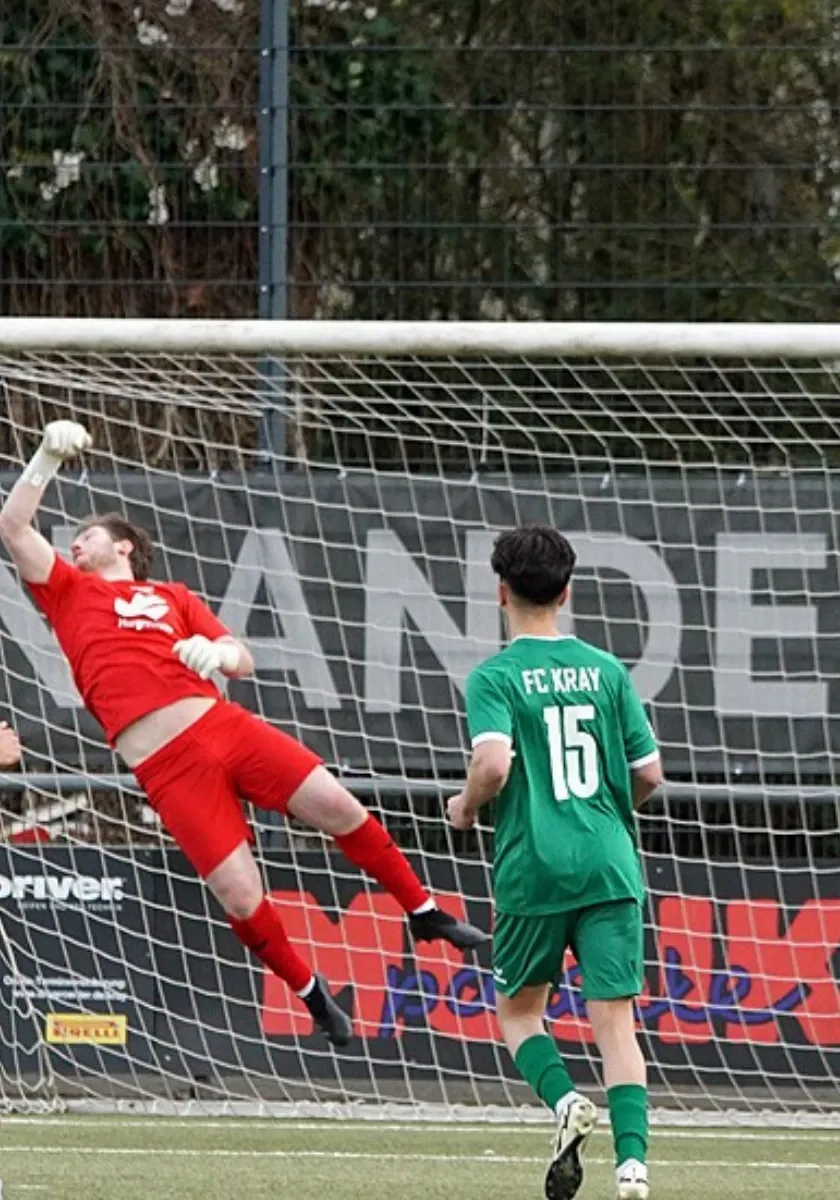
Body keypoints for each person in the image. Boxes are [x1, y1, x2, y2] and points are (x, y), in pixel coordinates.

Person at [0, 420, 488, 1048]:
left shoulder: (171, 594)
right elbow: (13, 526)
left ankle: (425, 913)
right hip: (169, 767)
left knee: (340, 806)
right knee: (237, 892)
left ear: (123, 546)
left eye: (86, 536)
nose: (75, 545)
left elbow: (241, 653)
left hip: (224, 726)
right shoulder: (67, 593)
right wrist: (44, 458)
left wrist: (218, 655)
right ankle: (312, 994)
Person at [447, 525, 662, 1200]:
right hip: (607, 864)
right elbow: (650, 773)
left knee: (518, 1014)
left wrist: (465, 805)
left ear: (500, 592)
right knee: (615, 1023)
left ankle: (566, 1101)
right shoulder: (606, 671)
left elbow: (492, 762)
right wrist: (602, 807)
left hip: (532, 866)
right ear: (567, 592)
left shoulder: (494, 676)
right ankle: (633, 1168)